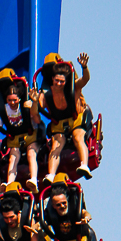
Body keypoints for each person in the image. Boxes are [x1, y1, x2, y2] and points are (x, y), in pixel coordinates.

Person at [39, 54, 93, 185]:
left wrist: (84, 67)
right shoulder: (46, 92)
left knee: (77, 137)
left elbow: (85, 80)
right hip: (59, 122)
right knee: (56, 144)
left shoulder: (73, 87)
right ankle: (51, 174)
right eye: (56, 80)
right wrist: (33, 101)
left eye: (61, 82)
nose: (58, 84)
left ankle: (84, 165)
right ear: (52, 79)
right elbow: (38, 106)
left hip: (76, 118)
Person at [0, 80, 42, 192]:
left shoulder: (25, 105)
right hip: (15, 139)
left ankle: (33, 179)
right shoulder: (5, 109)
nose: (12, 103)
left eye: (15, 100)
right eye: (10, 100)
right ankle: (10, 183)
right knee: (13, 157)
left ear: (19, 98)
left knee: (31, 153)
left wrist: (34, 103)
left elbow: (37, 120)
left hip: (30, 135)